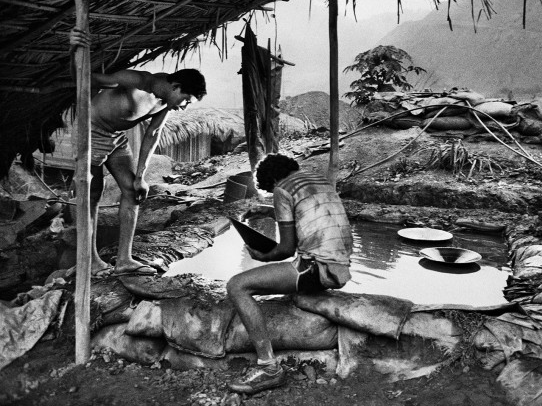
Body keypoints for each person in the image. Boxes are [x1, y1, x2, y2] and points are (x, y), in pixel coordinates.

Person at [69, 28, 207, 277]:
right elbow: (87, 78)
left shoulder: (166, 102)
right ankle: (90, 261)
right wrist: (74, 50)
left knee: (134, 191)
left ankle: (124, 260)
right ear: (175, 87)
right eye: (185, 100)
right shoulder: (137, 81)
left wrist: (141, 175)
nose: (184, 107)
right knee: (92, 194)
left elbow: (152, 134)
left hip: (116, 139)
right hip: (90, 132)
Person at [226, 153, 353, 395]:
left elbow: (285, 249)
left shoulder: (281, 189)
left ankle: (269, 368)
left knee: (237, 285)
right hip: (340, 267)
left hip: (314, 268)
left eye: (271, 188)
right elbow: (311, 219)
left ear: (273, 179)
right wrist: (268, 212)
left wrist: (263, 256)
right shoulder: (318, 180)